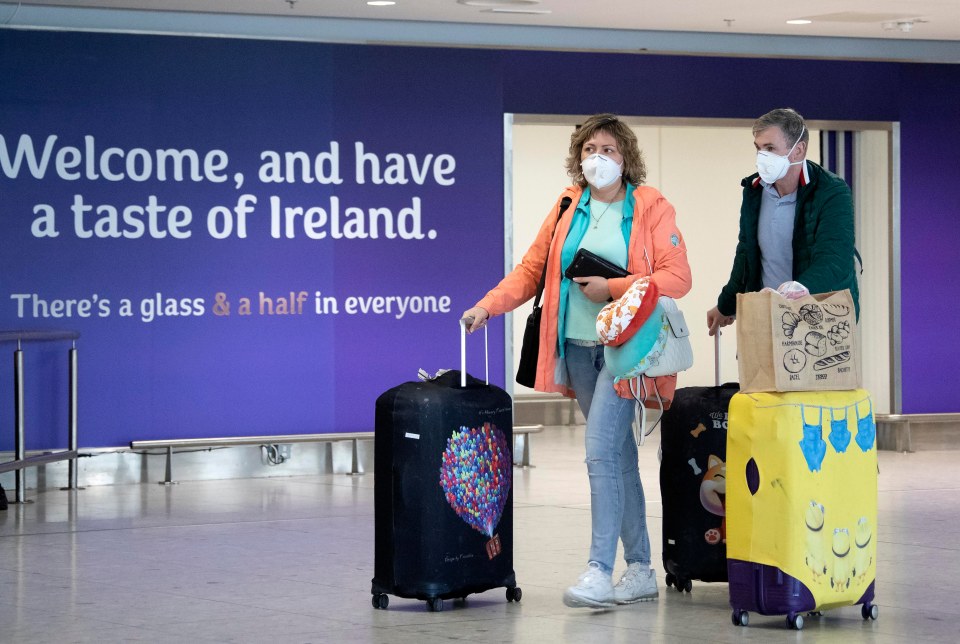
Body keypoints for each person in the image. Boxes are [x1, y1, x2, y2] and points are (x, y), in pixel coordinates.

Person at [462, 114, 692, 609]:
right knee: (617, 457)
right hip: (578, 349)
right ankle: (640, 569)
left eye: (608, 149)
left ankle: (597, 570)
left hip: (625, 353)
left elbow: (676, 278)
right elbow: (531, 269)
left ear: (625, 157)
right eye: (589, 149)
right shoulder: (569, 204)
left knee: (598, 453)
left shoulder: (650, 206)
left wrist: (611, 286)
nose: (597, 158)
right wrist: (488, 306)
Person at [707, 108, 860, 336]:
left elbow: (834, 259)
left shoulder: (831, 191)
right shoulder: (754, 191)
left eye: (770, 148)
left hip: (819, 319)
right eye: (758, 148)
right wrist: (725, 304)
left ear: (799, 149)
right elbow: (746, 256)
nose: (762, 157)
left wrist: (797, 290)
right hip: (769, 317)